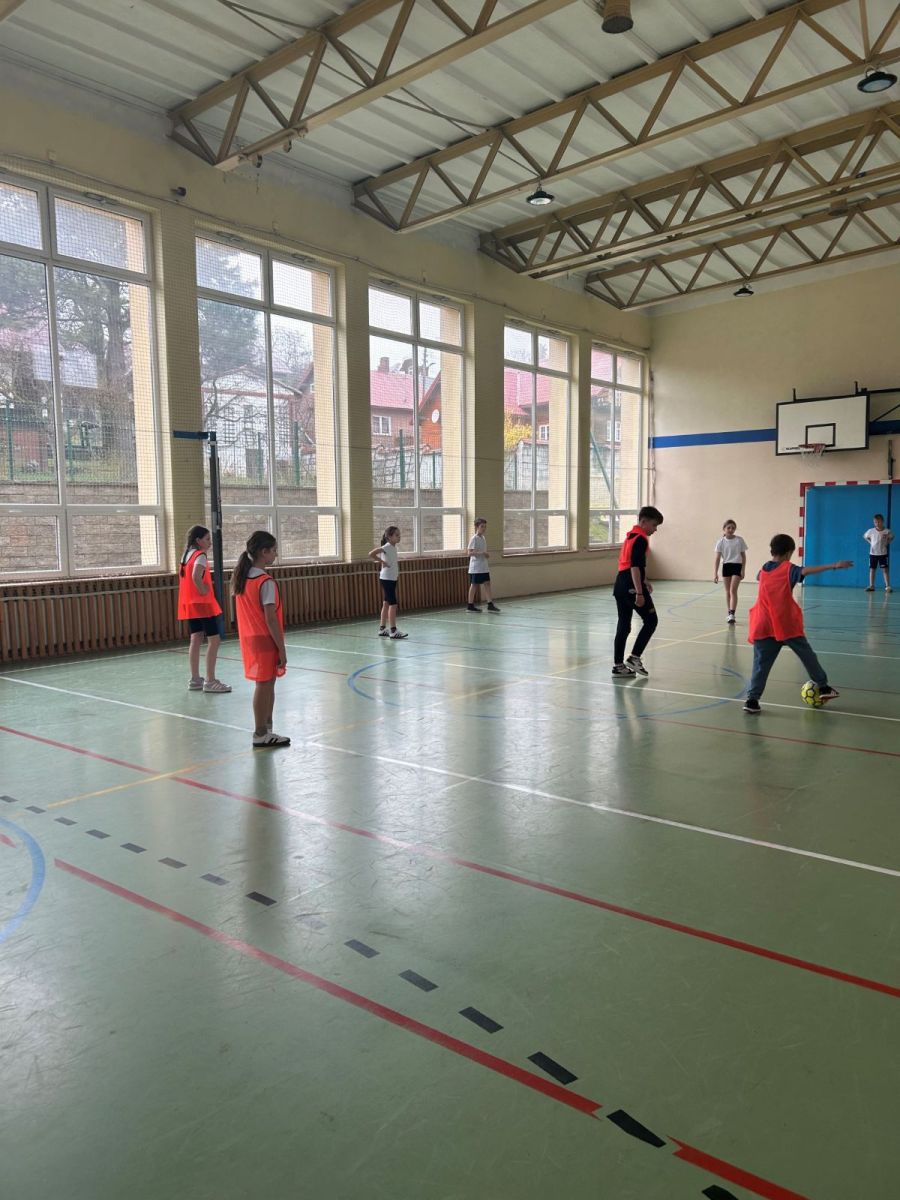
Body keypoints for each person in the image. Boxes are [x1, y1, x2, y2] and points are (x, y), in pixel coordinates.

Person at [743, 533, 851, 714]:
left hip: (763, 624)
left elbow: (760, 578)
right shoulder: (788, 568)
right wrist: (833, 565)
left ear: (772, 551)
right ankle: (823, 687)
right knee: (807, 656)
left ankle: (752, 700)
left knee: (760, 666)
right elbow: (805, 571)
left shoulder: (763, 570)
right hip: (784, 624)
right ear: (788, 553)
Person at [233, 530, 290, 748]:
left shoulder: (244, 577)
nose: (276, 554)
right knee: (264, 685)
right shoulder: (264, 581)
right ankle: (260, 733)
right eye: (274, 550)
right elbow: (270, 618)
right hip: (264, 639)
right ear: (263, 552)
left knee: (267, 683)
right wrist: (281, 648)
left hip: (251, 638)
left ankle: (267, 728)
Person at [177, 525, 231, 694]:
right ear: (198, 540)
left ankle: (195, 679)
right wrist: (203, 589)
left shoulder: (186, 555)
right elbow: (195, 576)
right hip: (202, 603)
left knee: (196, 638)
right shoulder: (200, 556)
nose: (209, 542)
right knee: (214, 640)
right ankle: (210, 680)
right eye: (207, 539)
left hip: (189, 603)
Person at [612, 506, 664, 677]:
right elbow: (634, 567)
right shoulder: (640, 539)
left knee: (624, 625)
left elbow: (631, 563)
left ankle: (618, 666)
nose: (655, 530)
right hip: (631, 584)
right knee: (651, 620)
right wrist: (639, 593)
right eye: (654, 525)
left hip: (620, 583)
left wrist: (645, 579)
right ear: (644, 521)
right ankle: (634, 657)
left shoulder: (631, 536)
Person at [369, 526, 408, 639]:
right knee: (393, 604)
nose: (399, 537)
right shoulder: (386, 547)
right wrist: (382, 562)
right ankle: (393, 631)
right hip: (387, 579)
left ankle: (382, 629)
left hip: (392, 579)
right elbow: (371, 554)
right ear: (389, 537)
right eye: (396, 535)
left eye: (399, 535)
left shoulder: (393, 547)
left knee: (386, 603)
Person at [713, 518, 747, 624]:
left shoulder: (739, 540)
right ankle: (729, 613)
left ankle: (732, 614)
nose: (731, 530)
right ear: (724, 529)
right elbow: (717, 558)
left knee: (733, 590)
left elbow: (743, 556)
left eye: (733, 528)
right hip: (726, 566)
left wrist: (743, 570)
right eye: (729, 528)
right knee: (727, 592)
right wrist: (715, 573)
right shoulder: (721, 542)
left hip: (737, 566)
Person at [466, 517, 501, 613]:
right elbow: (469, 553)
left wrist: (486, 554)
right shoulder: (474, 538)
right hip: (476, 567)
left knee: (487, 583)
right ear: (477, 527)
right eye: (482, 526)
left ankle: (490, 604)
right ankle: (470, 605)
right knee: (474, 585)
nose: (484, 528)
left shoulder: (483, 538)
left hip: (484, 566)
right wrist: (482, 553)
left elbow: (482, 551)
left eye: (485, 526)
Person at [863, 513, 893, 592]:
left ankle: (887, 586)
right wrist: (870, 542)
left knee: (885, 570)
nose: (877, 523)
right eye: (875, 522)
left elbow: (892, 537)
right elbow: (865, 536)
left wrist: (887, 543)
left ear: (882, 521)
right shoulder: (871, 531)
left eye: (879, 522)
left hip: (883, 554)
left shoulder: (887, 531)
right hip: (873, 554)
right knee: (872, 569)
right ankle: (871, 586)